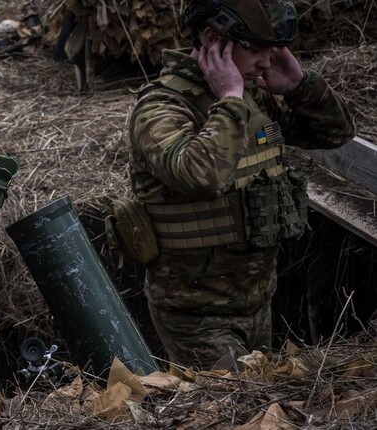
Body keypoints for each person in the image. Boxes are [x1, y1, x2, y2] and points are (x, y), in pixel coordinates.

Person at [126, 0, 355, 369]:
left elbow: (336, 132)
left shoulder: (255, 97)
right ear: (214, 40)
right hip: (196, 317)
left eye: (272, 49)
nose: (267, 61)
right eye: (256, 48)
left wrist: (298, 86)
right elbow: (200, 177)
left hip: (259, 302)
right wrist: (230, 99)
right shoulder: (162, 108)